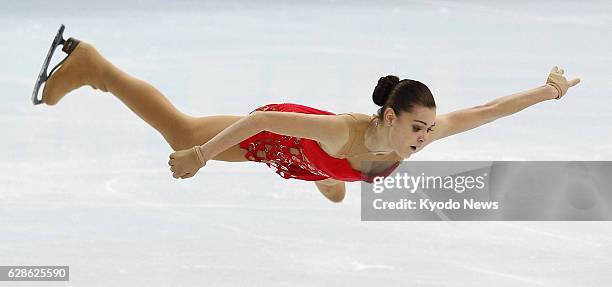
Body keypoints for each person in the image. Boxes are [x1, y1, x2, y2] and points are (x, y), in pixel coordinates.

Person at [32, 29, 581, 203]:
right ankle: (92, 65)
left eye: (427, 128)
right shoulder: (337, 128)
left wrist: (547, 92)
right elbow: (263, 121)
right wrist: (200, 155)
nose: (424, 137)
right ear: (388, 116)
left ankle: (325, 175)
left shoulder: (420, 135)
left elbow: (486, 110)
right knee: (179, 129)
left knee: (341, 179)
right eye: (416, 126)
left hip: (324, 159)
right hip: (281, 135)